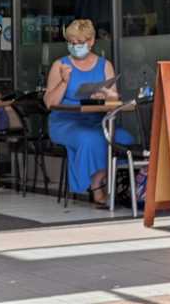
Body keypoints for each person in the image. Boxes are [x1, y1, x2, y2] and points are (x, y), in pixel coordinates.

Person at [43, 19, 131, 205]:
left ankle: (104, 179)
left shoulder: (104, 65)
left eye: (79, 43)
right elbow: (49, 103)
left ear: (91, 42)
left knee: (123, 138)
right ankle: (96, 185)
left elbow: (114, 100)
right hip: (65, 121)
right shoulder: (60, 65)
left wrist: (106, 94)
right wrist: (64, 82)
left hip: (96, 119)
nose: (74, 46)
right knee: (90, 138)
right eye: (71, 42)